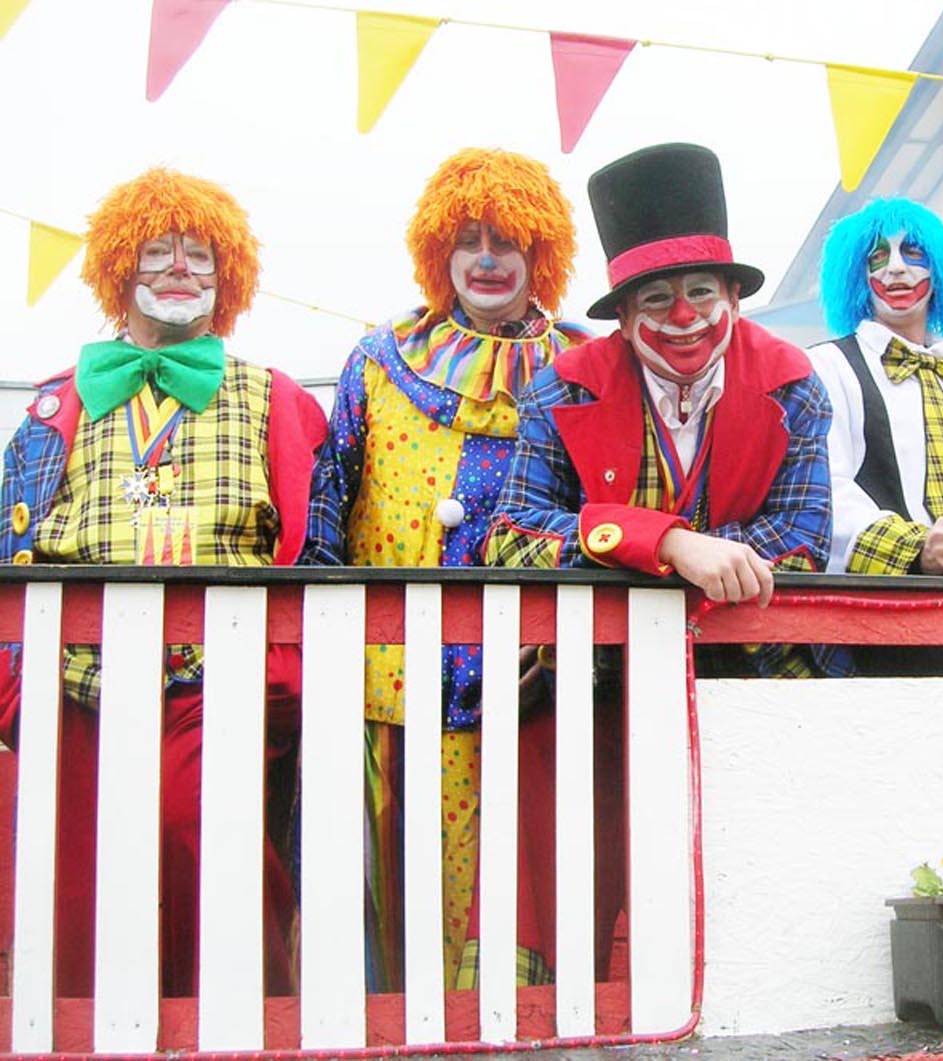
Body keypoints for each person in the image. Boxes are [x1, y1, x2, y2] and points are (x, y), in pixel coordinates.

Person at [482, 142, 846, 980]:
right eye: (655, 299)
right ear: (622, 315)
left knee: (761, 881)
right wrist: (669, 543)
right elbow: (511, 534)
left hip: (752, 677)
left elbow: (800, 535)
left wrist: (678, 559)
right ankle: (567, 1011)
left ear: (733, 297)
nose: (683, 316)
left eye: (701, 292)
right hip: (594, 685)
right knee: (574, 879)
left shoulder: (793, 383)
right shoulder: (561, 388)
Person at [0, 168, 327, 996]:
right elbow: (11, 547)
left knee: (205, 843)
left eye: (200, 254)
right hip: (75, 680)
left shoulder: (275, 397)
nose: (180, 267)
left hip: (219, 673)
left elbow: (315, 544)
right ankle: (84, 1038)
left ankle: (244, 1031)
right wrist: (14, 681)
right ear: (120, 266)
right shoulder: (53, 406)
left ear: (229, 274)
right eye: (157, 251)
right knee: (81, 879)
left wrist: (287, 668)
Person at [301, 148, 586, 990]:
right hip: (393, 682)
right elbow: (328, 501)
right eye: (468, 240)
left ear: (540, 253)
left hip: (536, 681)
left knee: (523, 885)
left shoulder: (582, 367)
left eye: (508, 240)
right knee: (400, 885)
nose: (487, 258)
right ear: (440, 250)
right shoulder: (379, 358)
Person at [811, 198, 943, 583]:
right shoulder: (829, 367)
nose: (896, 267)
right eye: (878, 256)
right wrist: (916, 548)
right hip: (887, 604)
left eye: (913, 253)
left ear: (939, 269)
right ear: (856, 275)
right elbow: (823, 490)